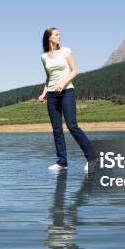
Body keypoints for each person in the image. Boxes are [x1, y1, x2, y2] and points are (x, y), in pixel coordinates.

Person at [38, 27, 94, 172]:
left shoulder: (66, 51)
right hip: (51, 95)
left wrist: (62, 84)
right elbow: (49, 78)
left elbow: (75, 70)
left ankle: (92, 159)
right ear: (49, 37)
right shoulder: (44, 57)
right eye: (56, 34)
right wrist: (43, 93)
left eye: (59, 34)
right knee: (57, 129)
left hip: (67, 91)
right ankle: (62, 162)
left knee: (72, 125)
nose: (59, 36)